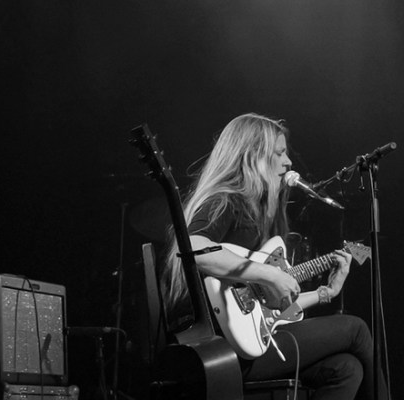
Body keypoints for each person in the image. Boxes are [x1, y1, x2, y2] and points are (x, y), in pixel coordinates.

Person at [162, 113, 380, 400]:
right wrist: (269, 273)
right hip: (219, 350)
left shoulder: (261, 218)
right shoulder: (225, 199)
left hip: (248, 344)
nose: (289, 162)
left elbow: (273, 312)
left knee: (346, 368)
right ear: (253, 156)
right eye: (279, 153)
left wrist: (325, 293)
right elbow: (193, 247)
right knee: (357, 329)